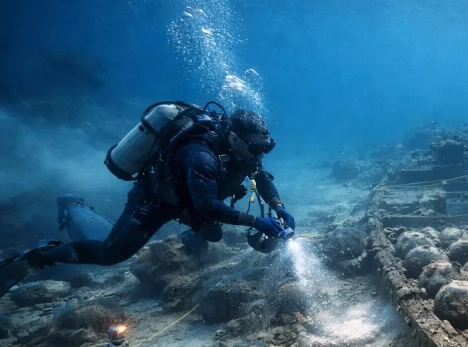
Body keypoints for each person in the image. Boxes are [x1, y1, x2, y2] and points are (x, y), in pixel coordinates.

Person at [0, 108, 296, 297]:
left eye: (264, 147)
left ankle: (189, 232)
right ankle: (46, 248)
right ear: (233, 138)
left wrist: (279, 206)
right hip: (157, 200)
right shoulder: (201, 155)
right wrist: (257, 221)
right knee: (109, 254)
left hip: (194, 200)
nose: (260, 153)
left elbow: (262, 177)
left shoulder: (245, 151)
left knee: (213, 233)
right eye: (256, 147)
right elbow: (207, 206)